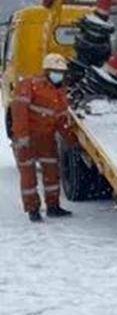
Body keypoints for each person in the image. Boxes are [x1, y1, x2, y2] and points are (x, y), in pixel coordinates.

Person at [11, 53, 76, 222]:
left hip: (46, 139)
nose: (58, 75)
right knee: (28, 176)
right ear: (47, 71)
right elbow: (19, 113)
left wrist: (71, 140)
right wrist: (22, 137)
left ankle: (53, 207)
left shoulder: (60, 92)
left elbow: (61, 120)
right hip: (27, 138)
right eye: (55, 71)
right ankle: (33, 210)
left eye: (61, 72)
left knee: (52, 174)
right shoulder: (29, 85)